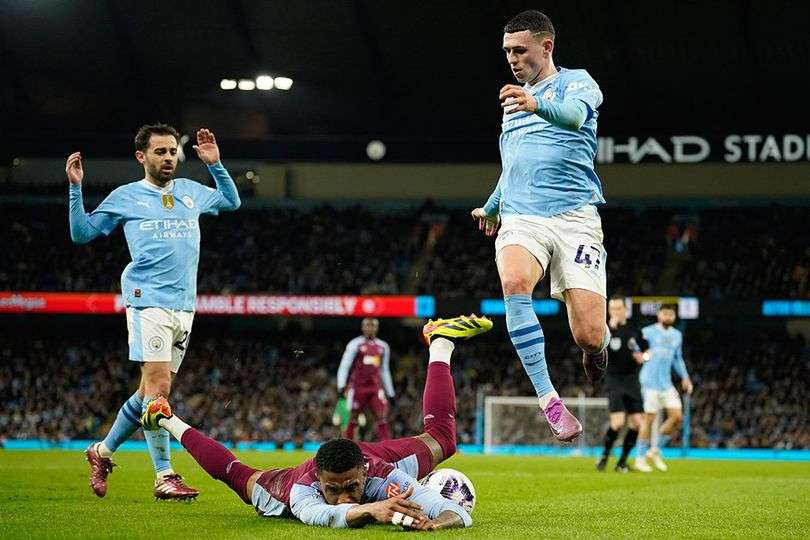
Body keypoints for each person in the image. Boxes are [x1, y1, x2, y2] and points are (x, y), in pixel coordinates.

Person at [140, 314, 491, 529]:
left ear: (366, 475)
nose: (340, 498)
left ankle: (440, 341)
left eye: (350, 487)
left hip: (371, 452)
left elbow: (456, 514)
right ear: (319, 481)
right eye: (332, 490)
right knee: (235, 473)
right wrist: (370, 508)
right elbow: (328, 517)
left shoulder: (385, 476)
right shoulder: (299, 491)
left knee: (444, 440)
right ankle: (166, 418)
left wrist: (436, 524)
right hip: (296, 474)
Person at [67, 124, 241, 499]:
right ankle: (164, 475)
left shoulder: (192, 193)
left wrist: (215, 164)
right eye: (160, 152)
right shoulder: (125, 197)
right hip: (148, 300)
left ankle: (101, 452)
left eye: (172, 151)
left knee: (148, 393)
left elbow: (231, 202)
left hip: (185, 306)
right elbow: (82, 233)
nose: (168, 158)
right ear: (141, 156)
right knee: (159, 389)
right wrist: (75, 188)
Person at [470, 10, 609, 441]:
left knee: (587, 334)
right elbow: (515, 164)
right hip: (523, 216)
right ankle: (549, 398)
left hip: (575, 218)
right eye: (508, 51)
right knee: (513, 282)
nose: (512, 59)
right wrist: (493, 206)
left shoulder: (578, 83)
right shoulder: (513, 104)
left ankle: (597, 350)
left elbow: (571, 117)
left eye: (520, 50)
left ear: (546, 46)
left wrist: (535, 103)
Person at [635, 305, 694, 472]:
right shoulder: (648, 332)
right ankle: (640, 458)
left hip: (666, 383)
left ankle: (654, 449)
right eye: (664, 313)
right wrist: (640, 356)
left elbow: (678, 358)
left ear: (674, 317)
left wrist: (684, 376)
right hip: (649, 382)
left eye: (670, 314)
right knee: (649, 419)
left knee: (677, 417)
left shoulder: (677, 335)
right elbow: (637, 349)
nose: (667, 316)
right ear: (659, 315)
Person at [596, 296, 649, 473]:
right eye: (612, 309)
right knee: (617, 423)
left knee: (637, 423)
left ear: (625, 309)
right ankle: (604, 456)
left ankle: (622, 463)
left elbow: (647, 349)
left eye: (619, 308)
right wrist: (609, 330)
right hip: (614, 379)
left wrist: (644, 357)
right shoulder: (605, 331)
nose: (616, 312)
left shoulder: (635, 329)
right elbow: (596, 351)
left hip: (632, 380)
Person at [336, 318, 395, 441]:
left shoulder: (383, 346)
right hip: (358, 388)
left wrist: (390, 392)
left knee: (382, 416)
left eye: (373, 326)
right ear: (362, 328)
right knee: (353, 417)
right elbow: (345, 365)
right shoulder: (355, 344)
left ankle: (387, 448)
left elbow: (384, 369)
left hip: (375, 388)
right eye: (367, 325)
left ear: (377, 328)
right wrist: (341, 384)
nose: (370, 328)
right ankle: (348, 447)